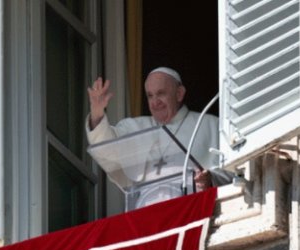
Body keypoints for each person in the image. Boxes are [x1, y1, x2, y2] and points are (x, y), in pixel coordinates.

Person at [86, 67, 232, 198]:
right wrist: (97, 114)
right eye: (150, 95)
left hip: (194, 212)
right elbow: (107, 149)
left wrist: (211, 179)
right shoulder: (136, 127)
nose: (155, 102)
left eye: (161, 93)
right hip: (147, 216)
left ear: (179, 94)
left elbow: (237, 173)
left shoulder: (211, 125)